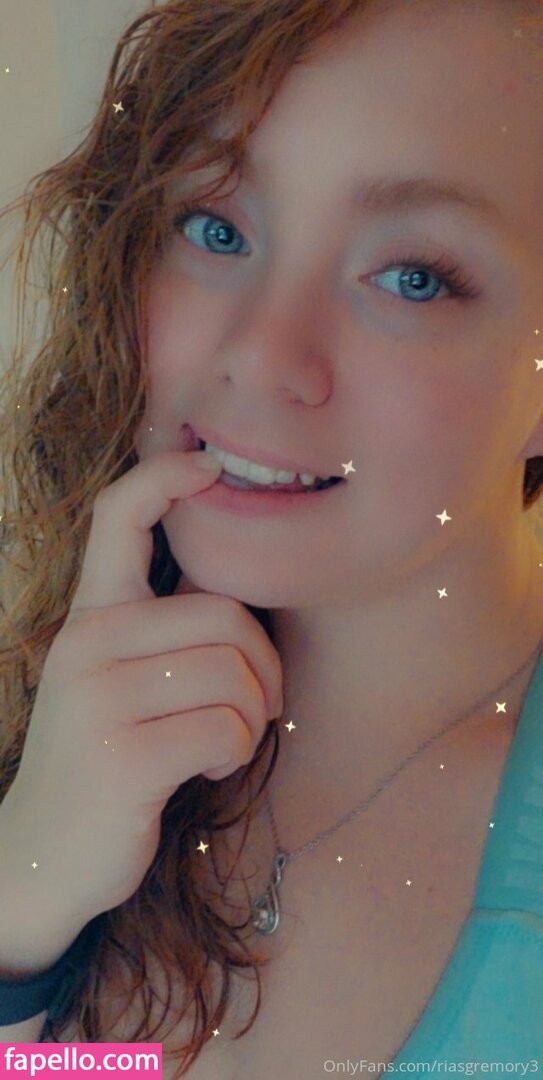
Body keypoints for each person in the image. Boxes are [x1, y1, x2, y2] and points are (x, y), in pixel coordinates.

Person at [0, 0, 542, 1074]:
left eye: (413, 277)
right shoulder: (45, 720)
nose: (260, 352)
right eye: (217, 227)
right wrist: (26, 904)